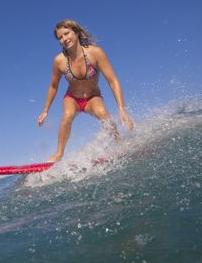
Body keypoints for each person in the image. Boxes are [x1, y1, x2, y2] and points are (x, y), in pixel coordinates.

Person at [37, 19, 134, 163]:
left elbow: (113, 80)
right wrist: (45, 110)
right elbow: (53, 86)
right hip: (72, 98)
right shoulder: (59, 61)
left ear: (75, 32)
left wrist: (122, 108)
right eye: (60, 37)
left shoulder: (95, 53)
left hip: (92, 97)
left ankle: (118, 144)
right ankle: (58, 154)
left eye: (66, 33)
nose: (64, 39)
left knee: (104, 115)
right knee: (68, 115)